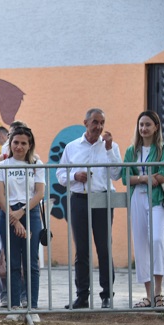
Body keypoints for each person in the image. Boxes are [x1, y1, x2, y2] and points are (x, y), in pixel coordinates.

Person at [56, 108, 121, 309]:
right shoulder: (72, 147)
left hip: (102, 200)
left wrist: (109, 150)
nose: (99, 126)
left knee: (104, 248)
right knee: (82, 250)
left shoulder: (111, 146)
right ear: (85, 123)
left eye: (102, 122)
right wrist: (75, 176)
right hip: (79, 200)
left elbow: (117, 174)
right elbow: (60, 174)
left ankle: (107, 295)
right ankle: (82, 296)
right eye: (95, 122)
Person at [121, 110, 164, 308]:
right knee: (141, 245)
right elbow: (126, 178)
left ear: (156, 127)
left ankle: (159, 293)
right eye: (141, 124)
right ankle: (149, 295)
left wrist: (149, 179)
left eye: (147, 125)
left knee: (157, 240)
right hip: (137, 199)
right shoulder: (131, 151)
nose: (143, 128)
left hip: (158, 199)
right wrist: (145, 178)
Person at [0, 126, 45, 322]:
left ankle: (32, 307)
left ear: (29, 144)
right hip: (8, 212)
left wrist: (21, 213)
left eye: (24, 143)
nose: (19, 146)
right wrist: (15, 220)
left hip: (29, 212)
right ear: (10, 143)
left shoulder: (36, 164)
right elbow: (0, 195)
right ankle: (14, 306)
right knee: (13, 262)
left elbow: (39, 193)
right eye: (16, 142)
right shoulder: (3, 165)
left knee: (31, 262)